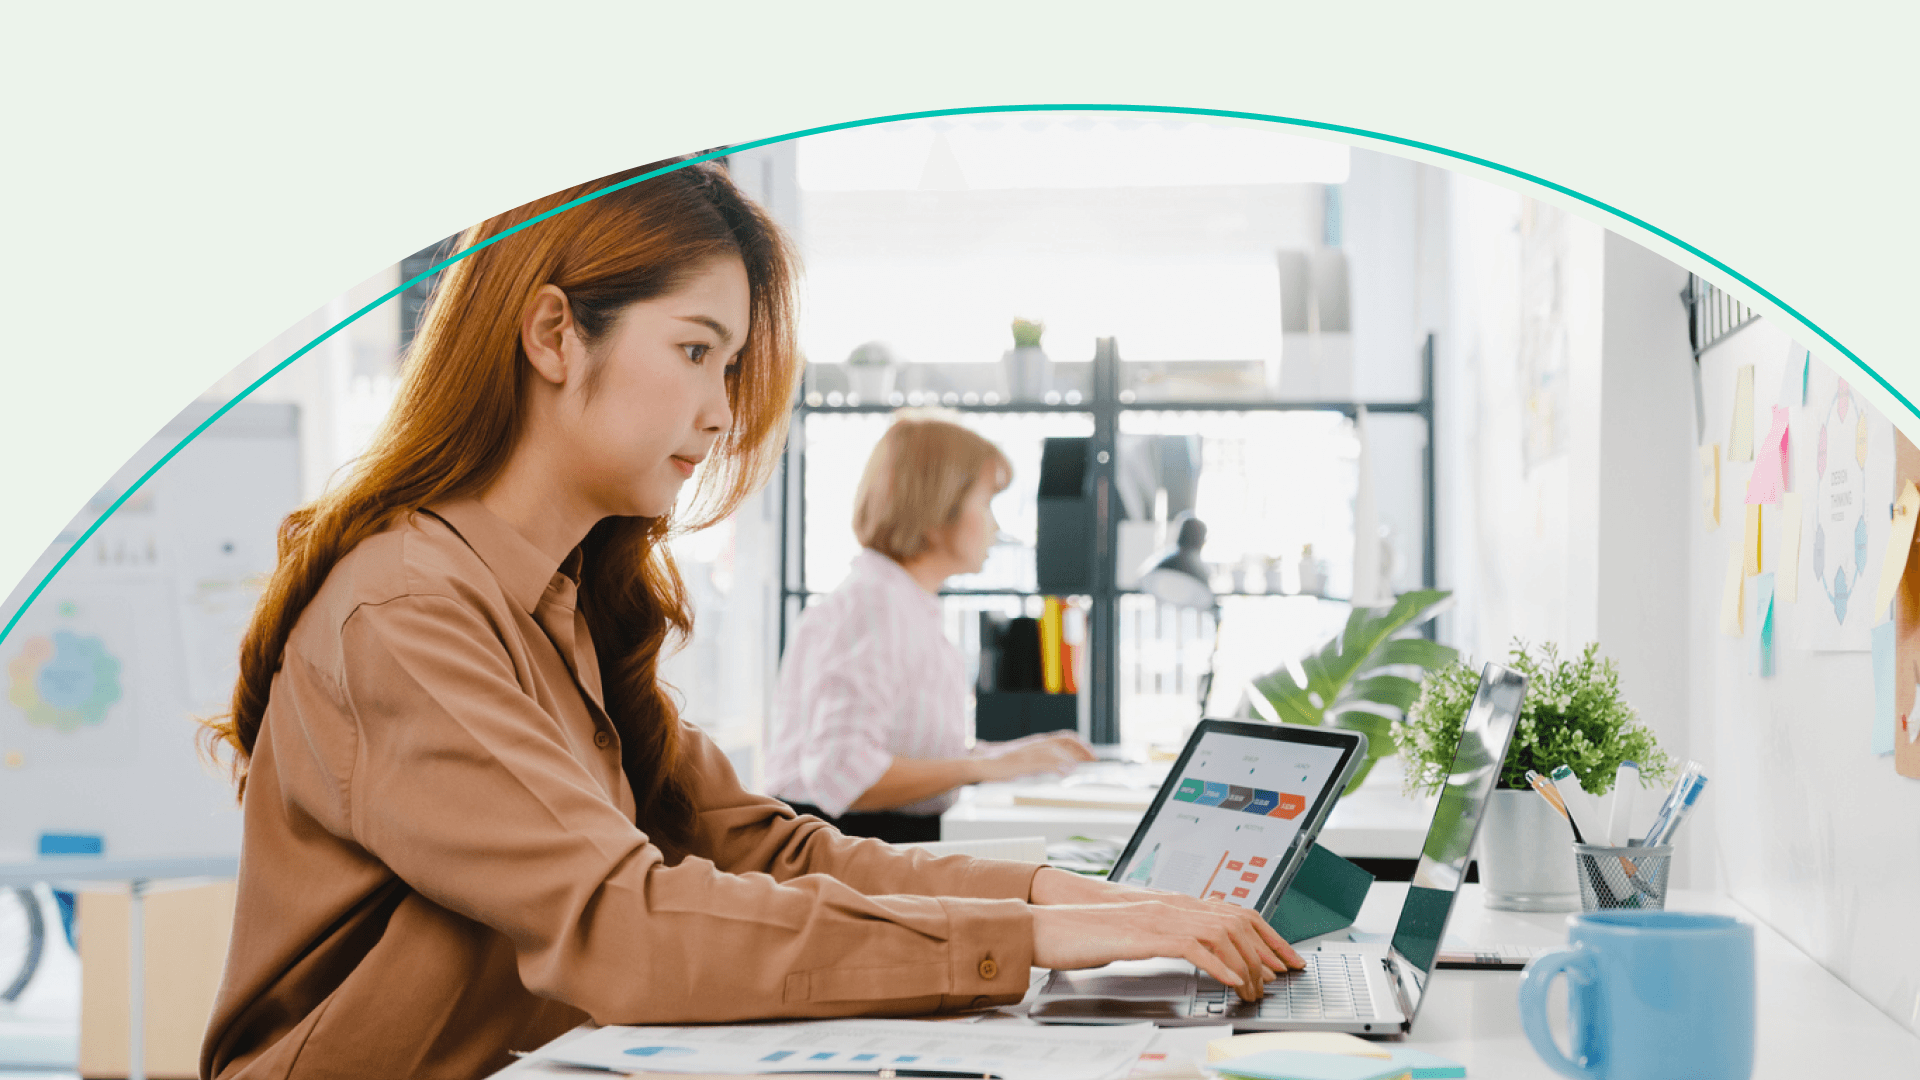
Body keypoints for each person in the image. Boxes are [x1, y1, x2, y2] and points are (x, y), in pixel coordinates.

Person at [196, 157, 1301, 1080]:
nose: (721, 413)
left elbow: (770, 849)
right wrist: (1036, 939)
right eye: (694, 351)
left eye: (728, 366)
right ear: (552, 335)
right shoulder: (406, 610)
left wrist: (1070, 898)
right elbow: (622, 926)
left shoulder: (558, 607)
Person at [765, 414, 1095, 843]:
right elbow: (843, 771)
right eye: (986, 502)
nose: (995, 525)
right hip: (842, 846)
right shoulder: (875, 606)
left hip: (870, 839)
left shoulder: (902, 601)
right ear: (938, 508)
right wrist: (982, 768)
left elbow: (907, 754)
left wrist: (1016, 755)